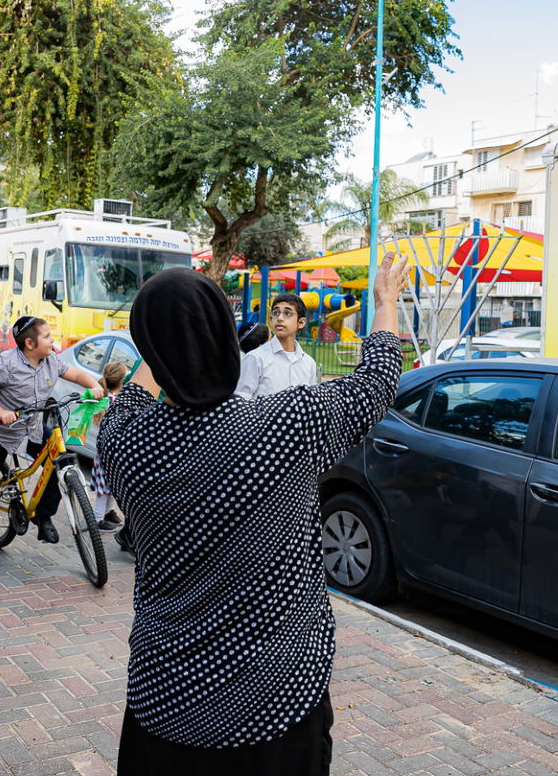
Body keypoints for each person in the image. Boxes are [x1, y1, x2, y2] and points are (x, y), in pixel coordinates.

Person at [98, 254, 410, 773]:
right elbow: (374, 383)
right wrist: (384, 304)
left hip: (165, 699)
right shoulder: (285, 426)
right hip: (279, 699)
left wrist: (167, 339)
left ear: (150, 348)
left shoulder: (124, 442)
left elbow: (132, 393)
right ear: (226, 337)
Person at [0, 315, 104, 553]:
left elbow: (75, 375)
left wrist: (93, 385)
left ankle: (43, 516)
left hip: (31, 426)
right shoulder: (7, 363)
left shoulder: (51, 360)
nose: (52, 340)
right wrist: (0, 411)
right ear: (30, 344)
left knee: (59, 460)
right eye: (46, 336)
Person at [234, 293, 318, 399]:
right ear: (270, 319)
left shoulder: (309, 364)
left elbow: (310, 402)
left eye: (287, 313)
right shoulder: (255, 358)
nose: (280, 318)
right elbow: (241, 402)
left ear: (301, 322)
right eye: (276, 312)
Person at [84, 361, 128, 530]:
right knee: (106, 486)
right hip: (112, 450)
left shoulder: (105, 398)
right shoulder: (118, 401)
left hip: (104, 449)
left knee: (109, 484)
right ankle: (97, 519)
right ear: (121, 380)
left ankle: (109, 512)